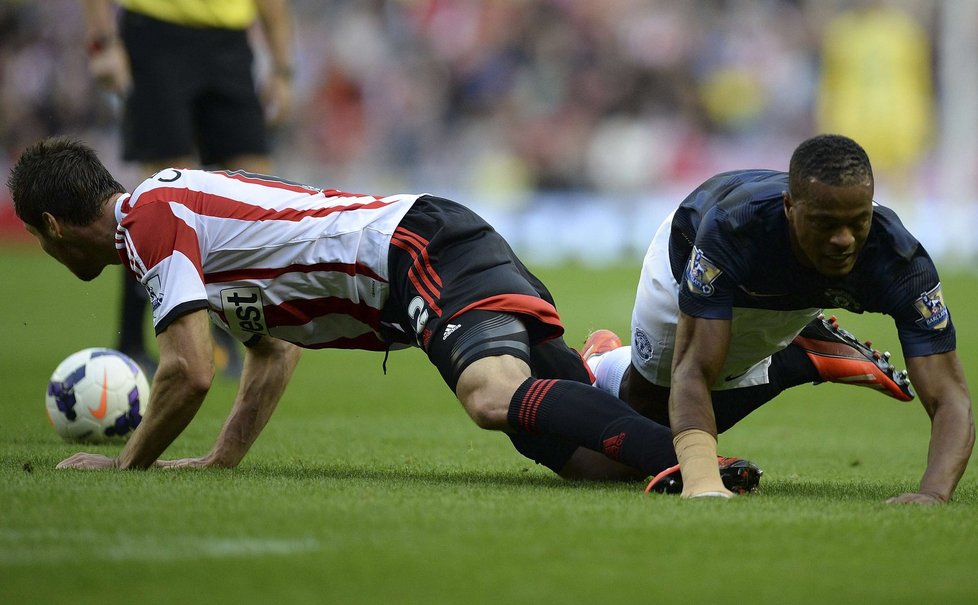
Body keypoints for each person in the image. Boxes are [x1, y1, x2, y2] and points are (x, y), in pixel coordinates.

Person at [11, 136, 767, 490]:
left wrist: (124, 464)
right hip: (431, 250)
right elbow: (272, 352)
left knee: (490, 398)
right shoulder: (182, 221)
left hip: (416, 249)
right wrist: (221, 458)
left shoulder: (147, 217)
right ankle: (792, 362)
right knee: (583, 462)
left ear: (49, 227)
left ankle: (697, 462)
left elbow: (187, 369)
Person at [586, 134, 974, 503]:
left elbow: (949, 396)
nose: (844, 239)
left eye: (858, 222)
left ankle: (805, 350)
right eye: (825, 223)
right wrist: (702, 481)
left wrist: (933, 494)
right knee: (645, 411)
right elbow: (693, 370)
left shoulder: (903, 264)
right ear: (790, 208)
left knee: (655, 438)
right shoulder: (733, 229)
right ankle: (606, 362)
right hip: (685, 262)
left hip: (788, 297)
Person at [81, 0, 296, 377]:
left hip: (230, 40)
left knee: (256, 194)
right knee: (164, 198)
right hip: (156, 32)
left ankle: (229, 331)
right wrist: (103, 40)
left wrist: (281, 67)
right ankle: (131, 340)